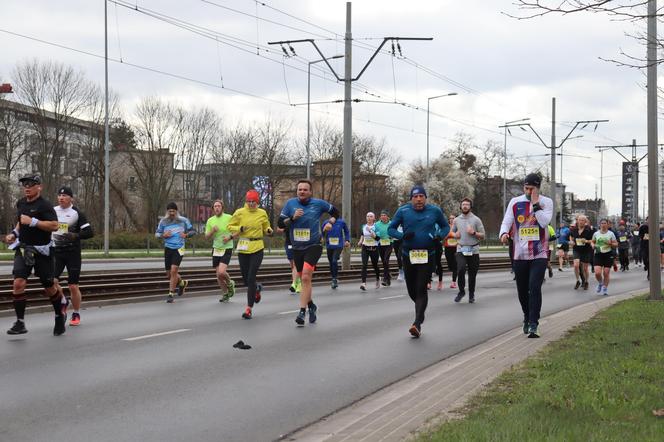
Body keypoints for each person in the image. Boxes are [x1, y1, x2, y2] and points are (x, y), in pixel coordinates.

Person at [388, 185, 449, 338]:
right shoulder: (403, 211)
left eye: (422, 196)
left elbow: (445, 226)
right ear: (411, 198)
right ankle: (420, 313)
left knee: (421, 287)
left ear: (425, 198)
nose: (419, 199)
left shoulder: (434, 211)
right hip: (408, 255)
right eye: (416, 196)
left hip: (428, 255)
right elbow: (391, 229)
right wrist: (402, 236)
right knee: (412, 291)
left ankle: (417, 323)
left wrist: (439, 236)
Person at [5, 174, 63, 336]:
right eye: (24, 184)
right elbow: (20, 222)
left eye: (31, 184)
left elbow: (55, 226)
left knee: (49, 287)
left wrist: (33, 222)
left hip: (42, 251)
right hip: (24, 249)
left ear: (39, 187)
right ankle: (20, 322)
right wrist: (14, 234)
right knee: (18, 283)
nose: (27, 187)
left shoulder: (45, 206)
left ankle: (59, 315)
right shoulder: (21, 203)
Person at [278, 179, 340, 326]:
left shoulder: (319, 204)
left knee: (305, 276)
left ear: (310, 192)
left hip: (314, 245)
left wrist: (330, 222)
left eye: (305, 190)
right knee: (303, 279)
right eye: (299, 189)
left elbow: (336, 212)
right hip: (297, 247)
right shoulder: (290, 204)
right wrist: (292, 218)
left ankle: (301, 311)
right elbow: (280, 223)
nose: (302, 192)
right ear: (297, 191)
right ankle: (311, 305)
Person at [499, 173, 553, 338]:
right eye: (526, 188)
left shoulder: (546, 202)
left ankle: (534, 323)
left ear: (538, 188)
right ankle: (526, 316)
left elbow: (544, 222)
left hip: (539, 252)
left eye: (532, 188)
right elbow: (507, 220)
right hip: (520, 253)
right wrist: (503, 233)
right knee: (522, 290)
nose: (529, 191)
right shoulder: (515, 202)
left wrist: (535, 204)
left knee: (534, 287)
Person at [52, 186, 93, 326]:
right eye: (59, 195)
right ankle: (63, 300)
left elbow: (89, 232)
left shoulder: (77, 213)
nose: (61, 198)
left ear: (71, 198)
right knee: (52, 282)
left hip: (73, 253)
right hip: (56, 251)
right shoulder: (53, 211)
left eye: (64, 196)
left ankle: (76, 313)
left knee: (73, 286)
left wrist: (75, 235)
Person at [228, 190, 272, 319]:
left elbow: (266, 227)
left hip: (257, 247)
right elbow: (230, 226)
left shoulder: (262, 213)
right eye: (249, 201)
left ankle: (249, 309)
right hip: (243, 247)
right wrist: (239, 229)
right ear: (246, 201)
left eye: (253, 201)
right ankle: (256, 289)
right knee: (246, 280)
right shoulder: (240, 212)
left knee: (251, 276)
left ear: (257, 201)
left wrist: (268, 230)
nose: (251, 204)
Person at [155, 202, 196, 303]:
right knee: (169, 274)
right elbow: (156, 233)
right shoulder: (163, 221)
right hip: (168, 248)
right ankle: (181, 283)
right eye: (170, 211)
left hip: (179, 248)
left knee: (174, 270)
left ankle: (170, 294)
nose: (172, 213)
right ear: (167, 212)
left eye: (173, 211)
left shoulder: (183, 220)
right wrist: (163, 235)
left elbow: (193, 231)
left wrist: (186, 235)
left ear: (176, 211)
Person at [453, 198, 485, 303]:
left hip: (474, 249)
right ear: (460, 206)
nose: (465, 206)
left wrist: (474, 233)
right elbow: (451, 232)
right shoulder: (456, 220)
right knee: (461, 269)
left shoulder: (476, 219)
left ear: (470, 207)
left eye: (467, 204)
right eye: (463, 204)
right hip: (461, 249)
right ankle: (461, 291)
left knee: (472, 274)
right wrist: (454, 235)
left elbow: (483, 235)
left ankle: (471, 294)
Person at [205, 199, 235, 303]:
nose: (217, 208)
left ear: (222, 208)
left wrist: (229, 238)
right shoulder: (210, 220)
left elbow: (236, 232)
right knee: (218, 275)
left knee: (222, 271)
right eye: (215, 206)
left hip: (227, 247)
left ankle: (230, 283)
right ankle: (225, 293)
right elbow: (206, 237)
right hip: (216, 248)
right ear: (213, 209)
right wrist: (212, 231)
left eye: (219, 206)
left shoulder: (229, 218)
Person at [591, 219, 618, 296]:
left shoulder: (611, 234)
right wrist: (593, 245)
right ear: (600, 224)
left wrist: (610, 243)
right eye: (602, 223)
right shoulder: (596, 233)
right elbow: (593, 241)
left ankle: (605, 288)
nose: (603, 224)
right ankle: (600, 283)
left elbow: (616, 244)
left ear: (607, 224)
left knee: (606, 273)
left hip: (608, 254)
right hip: (598, 254)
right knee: (597, 273)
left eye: (605, 223)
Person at [322, 216, 350, 289]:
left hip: (339, 245)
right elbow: (322, 232)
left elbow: (346, 231)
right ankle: (333, 277)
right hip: (329, 246)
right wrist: (322, 234)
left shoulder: (341, 222)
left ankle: (334, 279)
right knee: (331, 262)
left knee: (334, 261)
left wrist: (347, 240)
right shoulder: (326, 222)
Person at [569, 215, 593, 291]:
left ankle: (586, 282)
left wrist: (586, 241)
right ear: (577, 221)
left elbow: (592, 240)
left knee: (585, 268)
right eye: (580, 220)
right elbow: (571, 236)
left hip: (586, 250)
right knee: (576, 265)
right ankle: (577, 280)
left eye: (583, 220)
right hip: (576, 249)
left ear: (585, 222)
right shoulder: (574, 229)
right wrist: (572, 241)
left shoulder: (588, 230)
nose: (581, 222)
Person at [358, 212, 381, 290]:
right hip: (365, 248)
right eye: (367, 216)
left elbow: (377, 238)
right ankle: (363, 283)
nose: (369, 218)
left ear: (374, 218)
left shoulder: (376, 227)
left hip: (374, 248)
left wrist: (370, 231)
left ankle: (378, 278)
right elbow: (362, 235)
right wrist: (360, 241)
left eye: (371, 216)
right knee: (364, 265)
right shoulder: (364, 226)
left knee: (375, 265)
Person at [278, 225, 300, 294]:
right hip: (289, 244)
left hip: (297, 244)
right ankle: (298, 282)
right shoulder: (287, 221)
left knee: (295, 264)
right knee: (292, 266)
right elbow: (279, 229)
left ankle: (294, 284)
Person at [375, 210, 394, 286]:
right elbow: (374, 232)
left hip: (389, 243)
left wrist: (392, 235)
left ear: (387, 217)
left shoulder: (391, 223)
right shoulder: (377, 224)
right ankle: (388, 278)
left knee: (386, 260)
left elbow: (395, 231)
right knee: (384, 261)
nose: (383, 216)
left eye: (384, 215)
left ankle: (385, 278)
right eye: (381, 215)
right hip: (380, 243)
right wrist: (376, 235)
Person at [443, 215, 458, 289]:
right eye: (450, 218)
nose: (452, 220)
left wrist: (453, 234)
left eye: (453, 218)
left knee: (455, 265)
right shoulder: (446, 227)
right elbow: (444, 236)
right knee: (450, 264)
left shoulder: (458, 227)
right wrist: (449, 234)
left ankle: (454, 282)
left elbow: (459, 235)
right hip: (447, 247)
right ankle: (453, 269)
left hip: (456, 248)